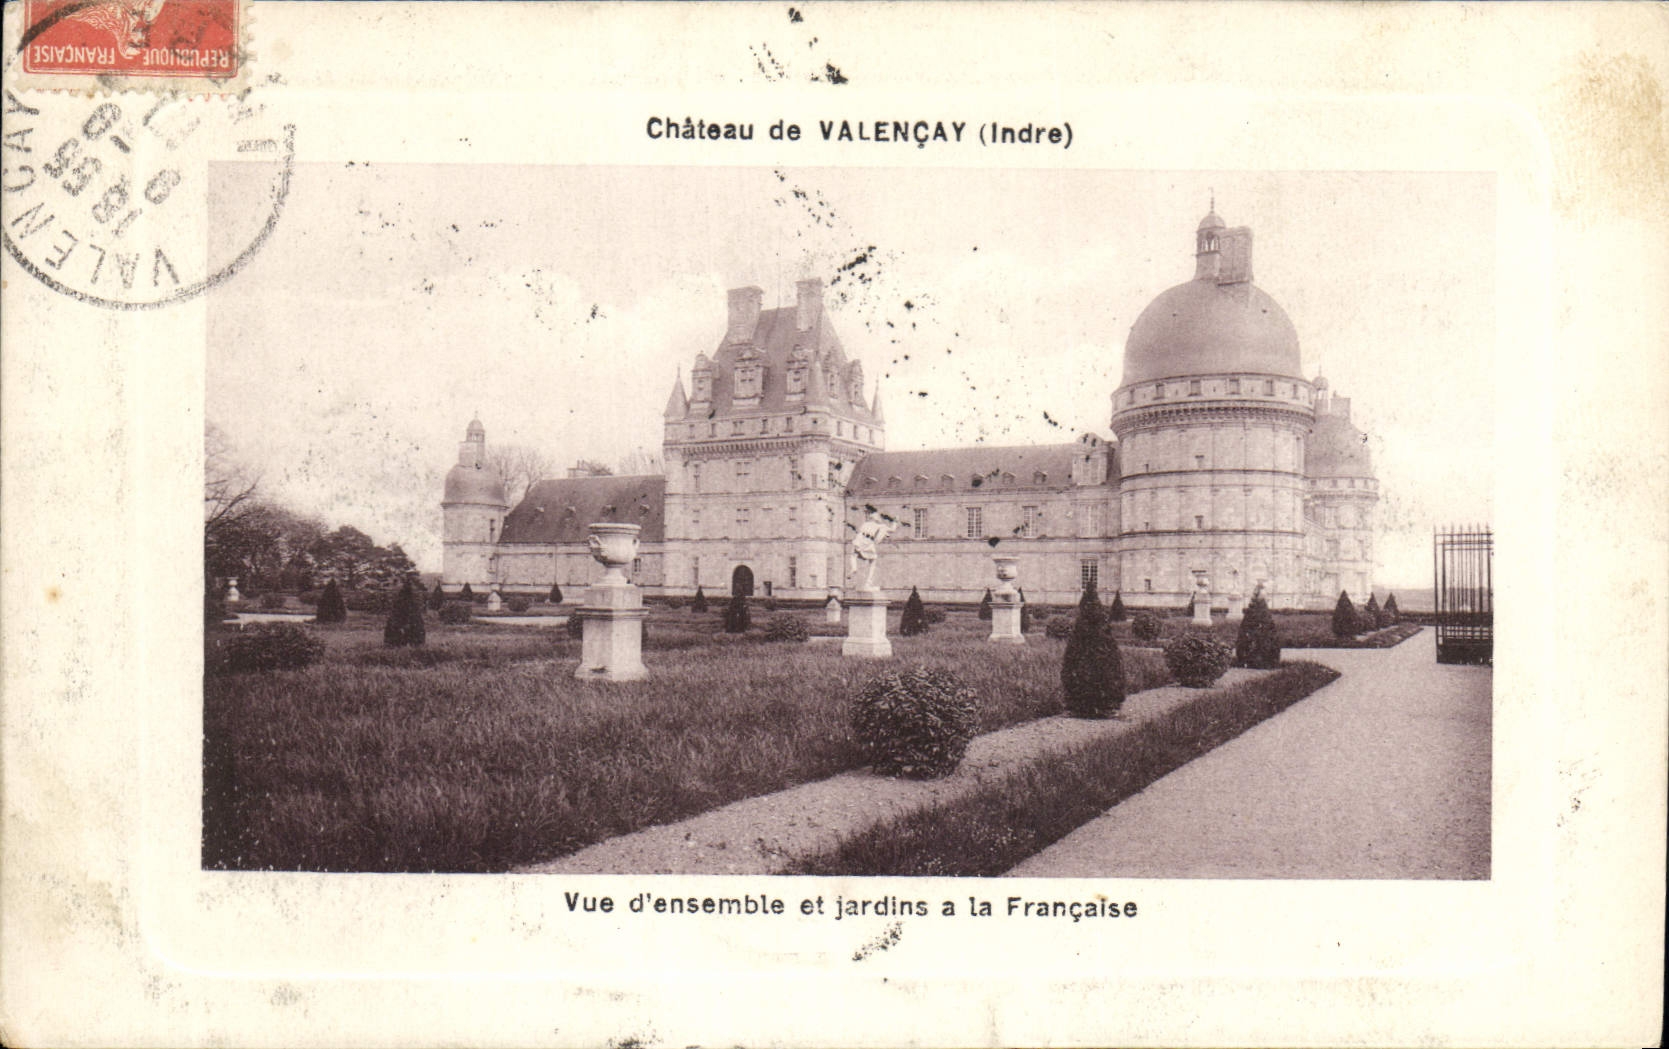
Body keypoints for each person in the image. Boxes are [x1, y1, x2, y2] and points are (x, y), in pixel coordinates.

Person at [848, 509, 897, 591]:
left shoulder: (865, 524)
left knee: (854, 554)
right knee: (873, 562)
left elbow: (860, 531)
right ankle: (868, 583)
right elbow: (892, 530)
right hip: (869, 542)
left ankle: (854, 567)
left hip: (860, 539)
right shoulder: (881, 526)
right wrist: (895, 521)